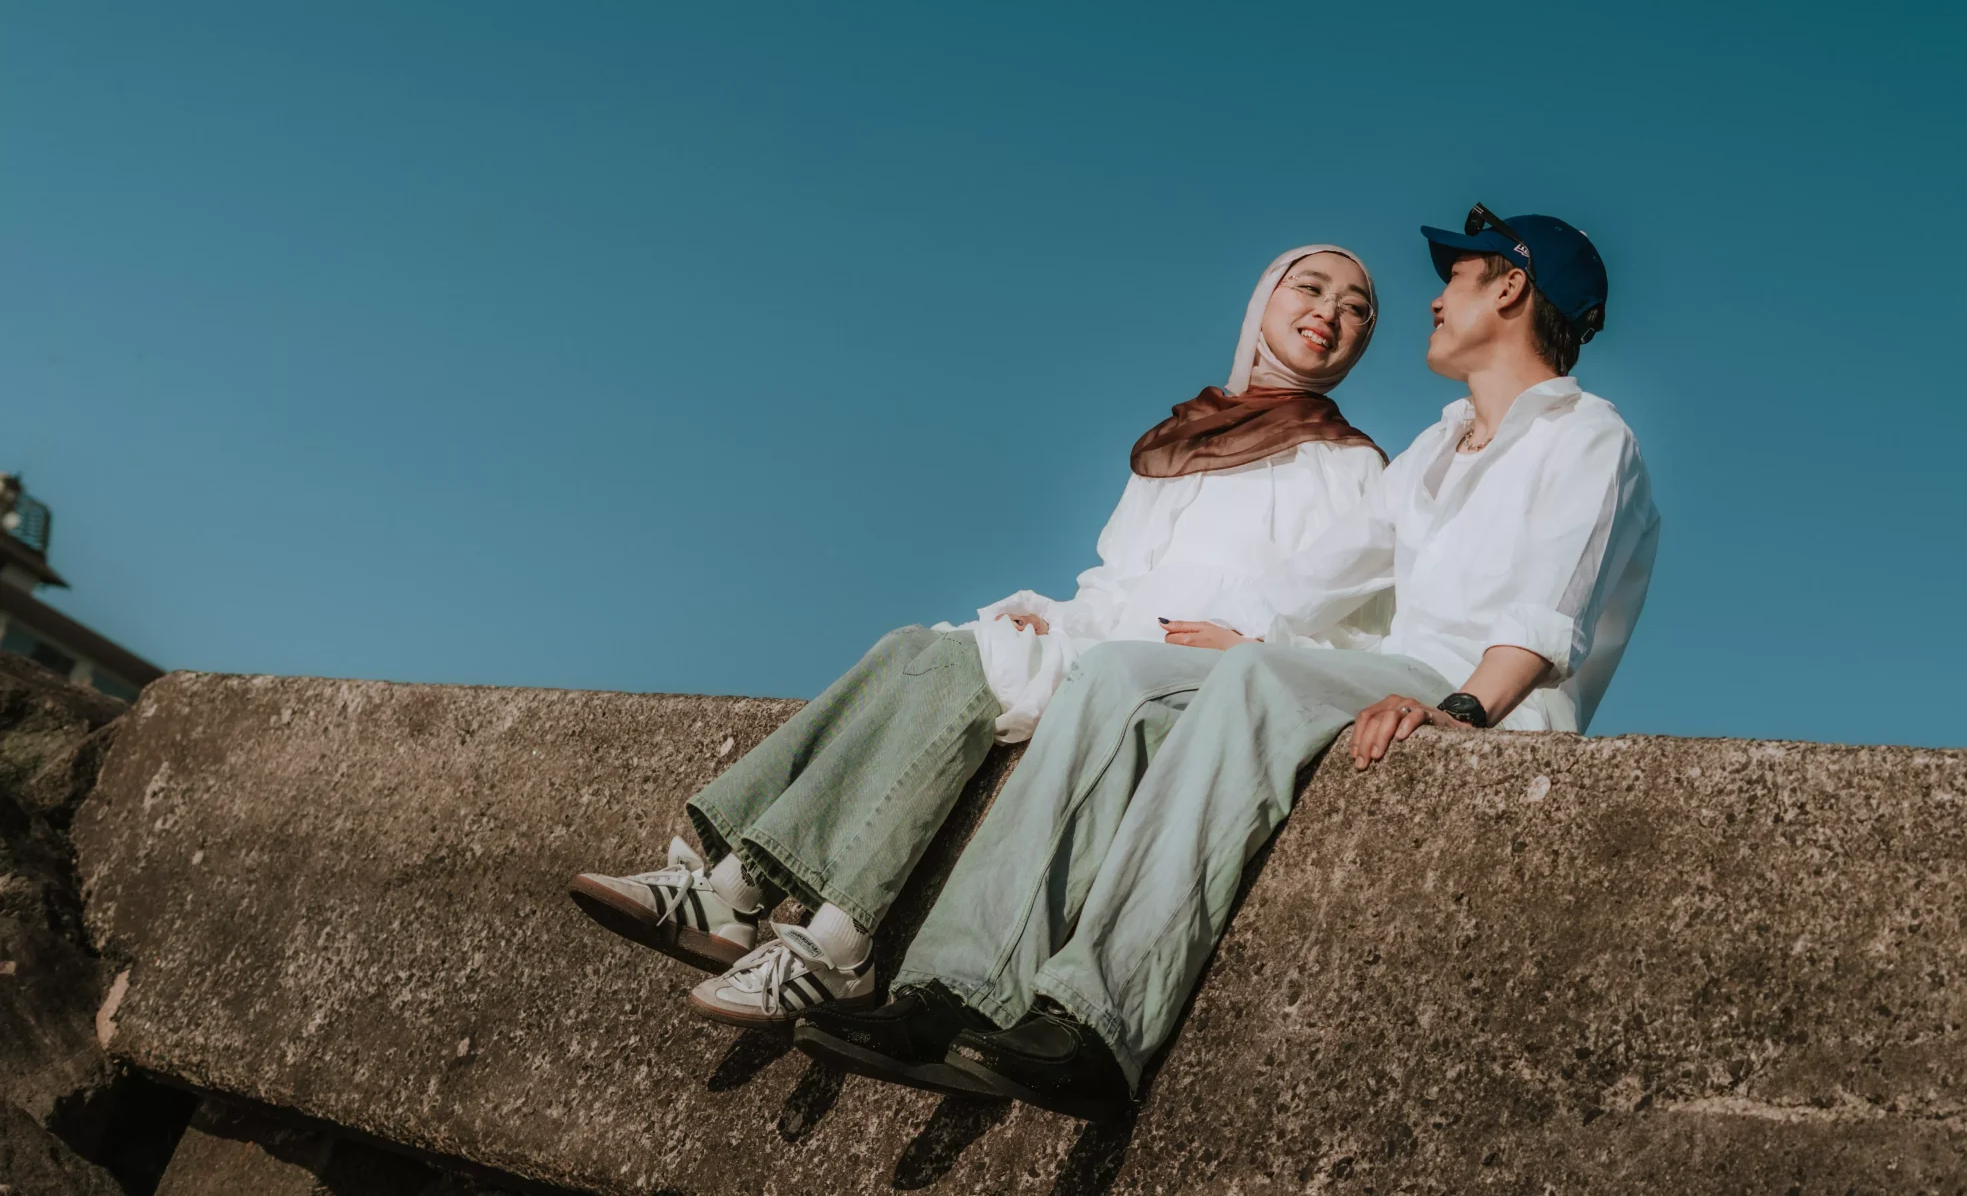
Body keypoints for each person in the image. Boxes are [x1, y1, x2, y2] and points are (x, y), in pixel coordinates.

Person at [798, 204, 1656, 1119]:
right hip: (1388, 672)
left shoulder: (1587, 435)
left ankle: (1099, 1023)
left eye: (1455, 279)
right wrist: (1125, 626)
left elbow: (1542, 618)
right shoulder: (1435, 447)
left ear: (1511, 287)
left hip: (1481, 694)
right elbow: (1310, 580)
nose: (1436, 301)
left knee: (1257, 678)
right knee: (1121, 674)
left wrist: (1464, 712)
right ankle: (955, 987)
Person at [567, 246, 1389, 1027]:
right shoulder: (1182, 440)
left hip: (1186, 674)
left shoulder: (1355, 468)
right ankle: (735, 886)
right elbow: (1117, 583)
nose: (1331, 312)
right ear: (1263, 301)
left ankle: (820, 933)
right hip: (1111, 637)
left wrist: (1248, 647)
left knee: (972, 669)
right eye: (1310, 287)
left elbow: (1361, 631)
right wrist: (1056, 617)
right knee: (914, 648)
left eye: (1357, 309)